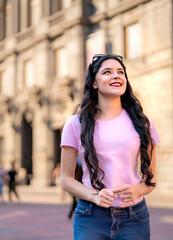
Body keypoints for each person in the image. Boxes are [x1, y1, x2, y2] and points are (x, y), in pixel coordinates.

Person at [60, 54, 160, 240]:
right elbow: (66, 179)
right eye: (107, 72)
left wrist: (137, 190)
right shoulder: (75, 124)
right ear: (94, 83)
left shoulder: (144, 123)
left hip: (134, 217)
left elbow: (151, 179)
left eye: (120, 72)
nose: (116, 76)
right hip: (90, 216)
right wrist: (94, 196)